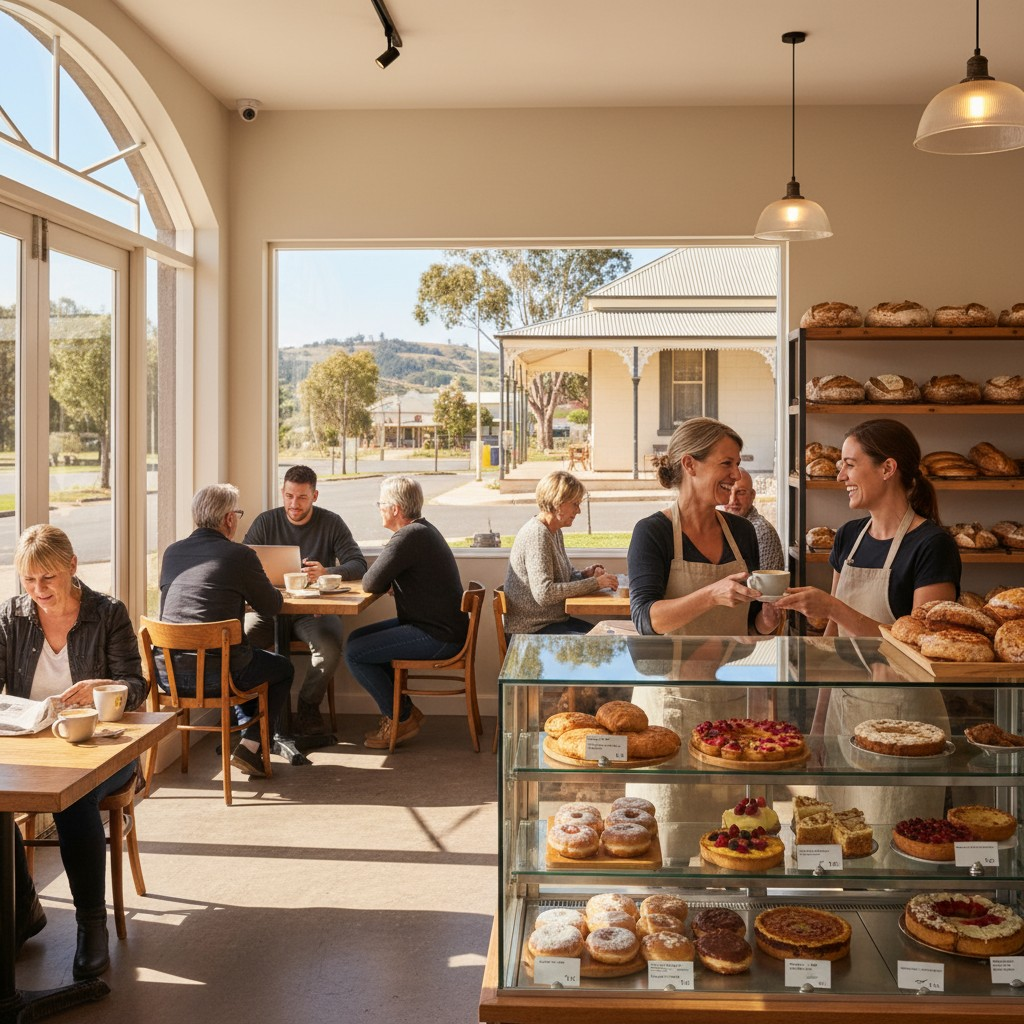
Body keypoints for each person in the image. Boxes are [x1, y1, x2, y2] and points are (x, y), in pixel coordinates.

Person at [774, 418, 961, 819]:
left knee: (894, 832)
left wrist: (833, 607)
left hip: (906, 721)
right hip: (846, 711)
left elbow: (919, 649)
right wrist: (820, 726)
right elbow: (833, 645)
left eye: (849, 464)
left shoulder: (933, 545)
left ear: (887, 468)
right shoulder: (849, 536)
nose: (840, 474)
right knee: (847, 835)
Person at [2, 525, 147, 979]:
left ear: (72, 566)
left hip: (102, 752)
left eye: (47, 578)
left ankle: (91, 928)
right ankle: (23, 907)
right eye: (28, 580)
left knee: (74, 798)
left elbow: (138, 688)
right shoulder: (13, 616)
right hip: (33, 750)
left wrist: (107, 687)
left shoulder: (108, 613)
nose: (38, 590)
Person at [625, 418, 778, 822]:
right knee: (673, 825)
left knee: (737, 829)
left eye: (738, 464)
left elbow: (748, 627)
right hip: (671, 703)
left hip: (733, 701)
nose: (736, 474)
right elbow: (646, 619)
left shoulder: (743, 533)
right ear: (690, 465)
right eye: (727, 464)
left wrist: (767, 619)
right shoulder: (652, 532)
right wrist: (711, 594)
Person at [159, 483, 294, 777]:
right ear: (229, 519)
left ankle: (247, 742)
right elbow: (271, 606)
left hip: (169, 676)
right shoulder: (240, 555)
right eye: (238, 513)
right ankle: (252, 744)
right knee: (281, 668)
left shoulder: (171, 553)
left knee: (245, 659)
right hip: (217, 675)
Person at [345, 476, 467, 750]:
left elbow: (370, 582)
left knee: (355, 653)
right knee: (355, 640)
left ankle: (401, 717)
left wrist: (390, 580)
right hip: (440, 628)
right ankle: (403, 713)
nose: (379, 508)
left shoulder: (408, 536)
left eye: (381, 504)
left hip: (439, 637)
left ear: (395, 509)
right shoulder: (422, 531)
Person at [243, 465, 367, 733]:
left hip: (313, 612)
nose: (293, 504)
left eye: (301, 497)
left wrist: (328, 572)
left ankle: (308, 707)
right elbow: (243, 561)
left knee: (329, 648)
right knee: (236, 641)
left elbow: (358, 564)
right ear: (282, 492)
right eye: (288, 496)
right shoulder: (266, 522)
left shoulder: (331, 522)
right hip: (267, 610)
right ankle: (251, 713)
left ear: (315, 496)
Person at [503, 470, 619, 636]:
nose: (578, 511)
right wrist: (596, 583)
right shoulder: (537, 535)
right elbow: (545, 594)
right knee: (604, 641)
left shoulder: (553, 531)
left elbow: (565, 578)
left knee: (608, 636)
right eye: (575, 504)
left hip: (551, 624)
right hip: (531, 633)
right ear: (558, 503)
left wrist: (586, 575)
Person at [719, 468, 785, 571]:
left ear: (752, 495)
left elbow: (768, 585)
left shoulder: (762, 532)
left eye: (740, 492)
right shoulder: (720, 526)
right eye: (728, 491)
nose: (733, 500)